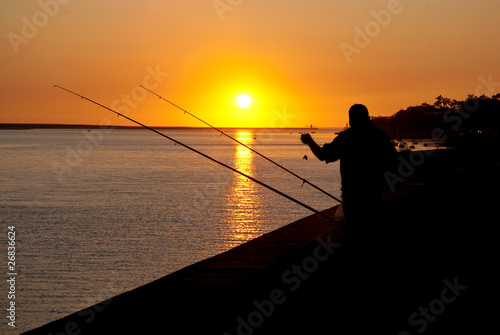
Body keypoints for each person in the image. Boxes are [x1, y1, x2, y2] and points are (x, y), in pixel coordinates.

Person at [301, 104, 397, 241]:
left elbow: (323, 155)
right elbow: (394, 162)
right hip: (374, 197)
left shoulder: (346, 138)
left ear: (351, 120)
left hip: (352, 200)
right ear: (368, 118)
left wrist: (309, 141)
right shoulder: (380, 137)